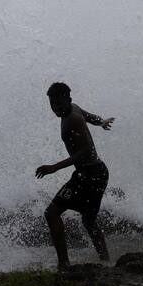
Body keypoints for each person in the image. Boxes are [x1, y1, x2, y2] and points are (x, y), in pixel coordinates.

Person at [36, 82, 115, 269]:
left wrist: (54, 167)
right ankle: (106, 262)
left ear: (68, 100)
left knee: (52, 213)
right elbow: (90, 117)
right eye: (53, 104)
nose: (56, 109)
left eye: (60, 104)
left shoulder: (72, 119)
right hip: (97, 172)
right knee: (89, 221)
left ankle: (64, 264)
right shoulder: (75, 108)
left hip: (89, 174)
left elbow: (85, 151)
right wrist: (101, 121)